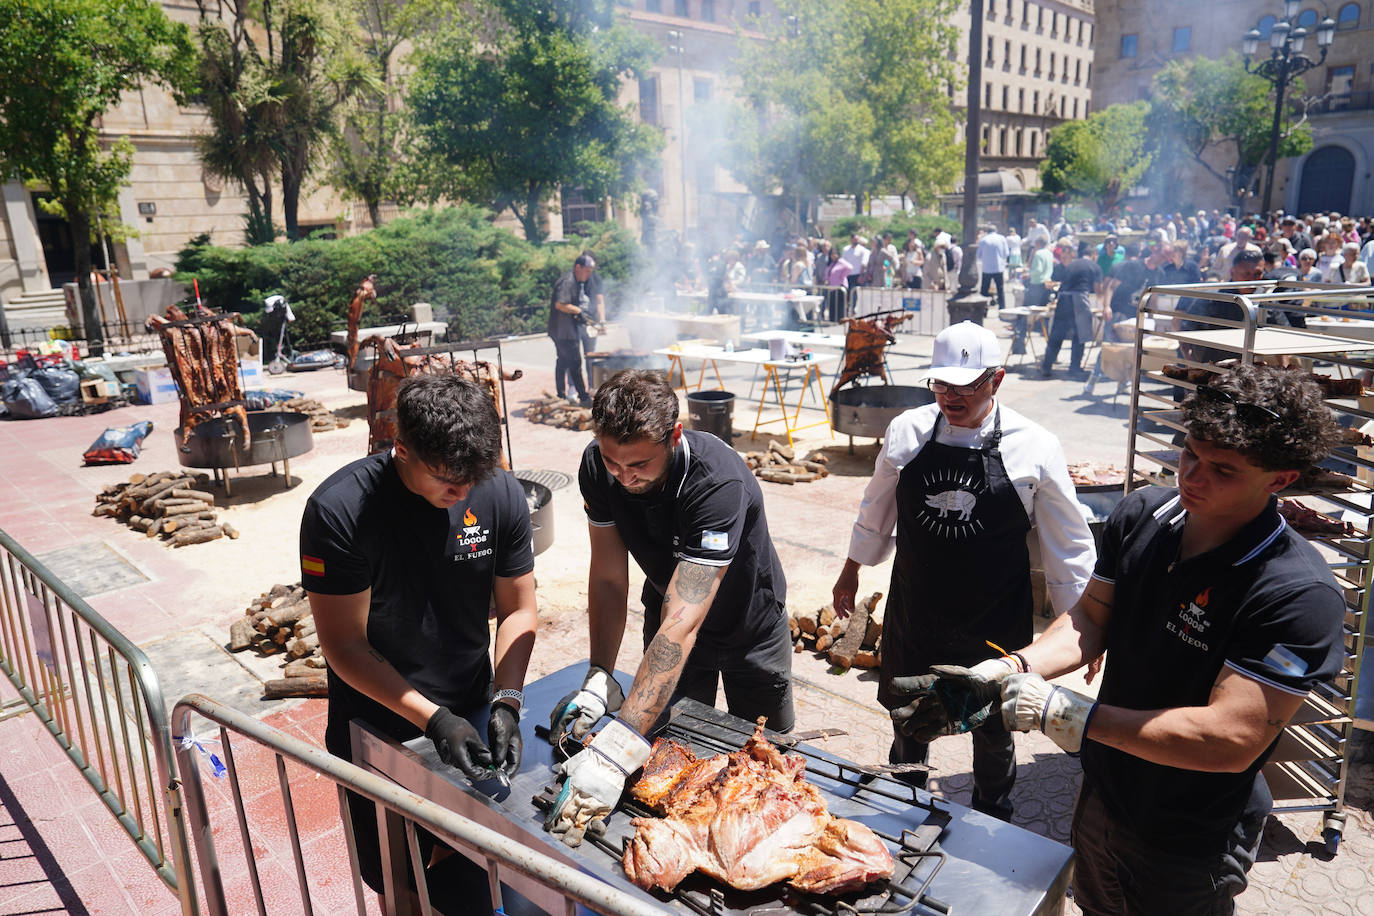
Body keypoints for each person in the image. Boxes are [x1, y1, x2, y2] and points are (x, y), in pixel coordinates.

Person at [894, 364, 1344, 916]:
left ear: (1280, 480)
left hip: (1189, 830)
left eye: (1223, 470)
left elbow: (1231, 739)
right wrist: (1011, 669)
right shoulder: (1143, 516)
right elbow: (1091, 618)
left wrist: (1068, 715)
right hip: (1105, 788)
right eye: (1190, 454)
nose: (1193, 478)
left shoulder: (1297, 593)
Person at [831, 321, 1095, 820]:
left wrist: (1080, 627)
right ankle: (904, 804)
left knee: (995, 729)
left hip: (995, 621)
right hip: (918, 609)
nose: (951, 396)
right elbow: (876, 508)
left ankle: (994, 813)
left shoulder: (1035, 446)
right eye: (941, 384)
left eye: (966, 385)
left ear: (995, 380)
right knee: (908, 717)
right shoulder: (907, 430)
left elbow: (1070, 542)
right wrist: (851, 570)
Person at [302, 374, 537, 911]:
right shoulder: (339, 512)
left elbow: (519, 608)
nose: (462, 493)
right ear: (400, 448)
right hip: (377, 719)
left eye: (472, 478)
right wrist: (431, 719)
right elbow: (344, 647)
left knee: (473, 855)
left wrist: (507, 698)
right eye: (447, 481)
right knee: (396, 875)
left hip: (473, 704)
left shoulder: (496, 490)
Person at [544, 369, 794, 846]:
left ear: (674, 436)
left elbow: (684, 625)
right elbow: (608, 576)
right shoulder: (599, 468)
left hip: (750, 631)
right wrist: (600, 673)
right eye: (613, 462)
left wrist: (616, 746)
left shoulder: (716, 484)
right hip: (668, 621)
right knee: (672, 759)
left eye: (637, 464)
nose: (624, 476)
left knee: (766, 769)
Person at [1040, 240, 1101, 380]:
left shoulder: (1071, 264)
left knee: (1057, 334)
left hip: (1063, 300)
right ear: (1093, 254)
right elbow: (1098, 290)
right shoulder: (1094, 266)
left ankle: (1046, 366)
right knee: (1080, 335)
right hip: (1078, 301)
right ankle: (1074, 368)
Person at [548, 253, 598, 406]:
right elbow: (560, 304)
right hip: (563, 331)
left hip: (563, 330)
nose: (589, 275)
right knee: (575, 362)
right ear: (578, 267)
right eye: (588, 271)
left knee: (563, 361)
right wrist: (578, 311)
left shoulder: (575, 281)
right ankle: (584, 398)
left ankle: (560, 395)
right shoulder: (568, 281)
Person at [977, 224, 1010, 310]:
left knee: (984, 290)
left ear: (987, 231)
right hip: (998, 267)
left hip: (986, 268)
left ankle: (982, 308)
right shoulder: (1002, 238)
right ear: (996, 230)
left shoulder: (983, 240)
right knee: (1000, 289)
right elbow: (1006, 253)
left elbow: (979, 255)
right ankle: (1002, 308)